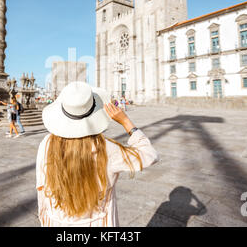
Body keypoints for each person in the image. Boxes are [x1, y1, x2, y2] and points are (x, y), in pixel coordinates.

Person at [36, 81, 159, 227]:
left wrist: (44, 218)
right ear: (94, 112)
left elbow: (41, 187)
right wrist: (126, 121)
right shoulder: (107, 149)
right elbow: (149, 155)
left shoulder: (47, 143)